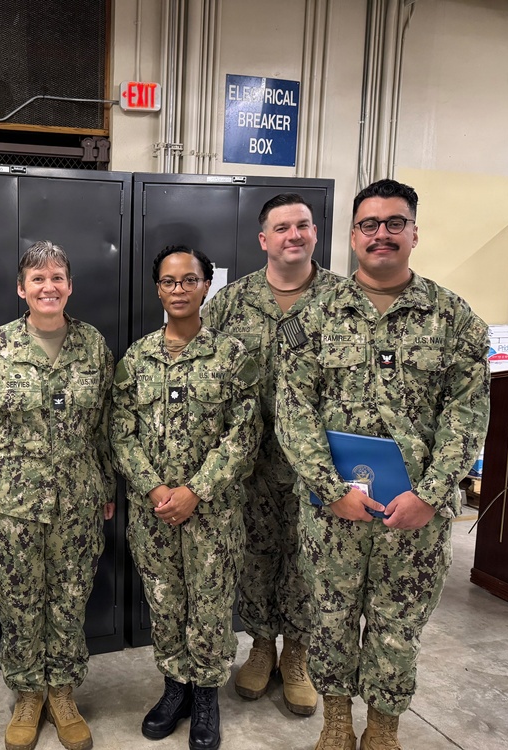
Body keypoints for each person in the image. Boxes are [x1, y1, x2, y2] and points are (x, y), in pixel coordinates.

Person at [275, 179, 490, 750]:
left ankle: (383, 729)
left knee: (398, 628)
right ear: (353, 236)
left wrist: (432, 494)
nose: (382, 234)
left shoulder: (454, 320)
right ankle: (336, 723)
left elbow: (468, 415)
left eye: (396, 223)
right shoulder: (312, 317)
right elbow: (294, 414)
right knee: (331, 619)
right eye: (369, 224)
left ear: (414, 233)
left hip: (414, 515)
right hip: (333, 514)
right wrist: (329, 489)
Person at [0, 241, 115, 750]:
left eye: (57, 277)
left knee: (70, 599)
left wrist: (108, 484)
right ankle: (27, 693)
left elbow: (104, 425)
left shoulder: (94, 346)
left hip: (79, 500)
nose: (49, 287)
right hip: (10, 503)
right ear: (21, 289)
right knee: (18, 602)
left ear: (70, 286)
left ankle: (62, 692)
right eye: (38, 279)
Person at [111, 245, 262, 750]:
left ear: (206, 286)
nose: (179, 290)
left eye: (189, 280)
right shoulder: (137, 358)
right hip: (154, 514)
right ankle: (175, 687)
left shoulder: (231, 356)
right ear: (158, 289)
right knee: (165, 601)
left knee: (211, 605)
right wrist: (158, 490)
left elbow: (244, 432)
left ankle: (206, 696)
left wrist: (196, 490)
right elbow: (120, 432)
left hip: (213, 514)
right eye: (169, 281)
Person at [203, 193, 340, 716]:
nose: (293, 235)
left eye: (302, 225)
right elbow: (206, 372)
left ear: (314, 233)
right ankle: (261, 645)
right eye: (281, 228)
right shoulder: (231, 303)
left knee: (309, 558)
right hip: (251, 462)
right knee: (256, 556)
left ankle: (297, 653)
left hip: (321, 465)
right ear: (264, 240)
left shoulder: (342, 300)